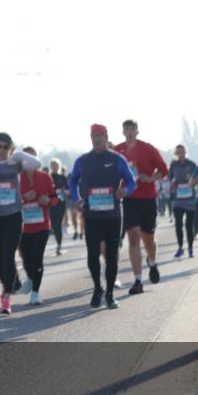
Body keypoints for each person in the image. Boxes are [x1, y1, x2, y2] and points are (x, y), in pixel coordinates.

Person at [69, 124, 137, 309]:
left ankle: (110, 294)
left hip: (113, 215)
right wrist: (77, 198)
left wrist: (125, 190)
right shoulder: (82, 161)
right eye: (94, 136)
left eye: (100, 136)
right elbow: (73, 180)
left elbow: (132, 182)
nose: (97, 139)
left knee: (112, 255)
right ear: (90, 138)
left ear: (106, 137)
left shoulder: (117, 159)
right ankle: (97, 288)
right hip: (91, 215)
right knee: (92, 255)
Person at [0, 132, 42, 315]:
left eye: (5, 146)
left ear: (10, 147)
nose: (2, 150)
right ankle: (12, 282)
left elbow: (37, 164)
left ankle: (5, 296)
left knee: (8, 254)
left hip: (13, 216)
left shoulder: (16, 163)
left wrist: (18, 154)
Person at [114, 119, 169, 295]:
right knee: (133, 237)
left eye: (132, 129)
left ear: (137, 131)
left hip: (147, 198)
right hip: (129, 199)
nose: (129, 132)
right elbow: (111, 173)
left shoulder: (148, 148)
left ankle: (152, 262)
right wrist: (118, 188)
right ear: (123, 132)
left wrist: (151, 179)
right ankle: (138, 280)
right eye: (126, 129)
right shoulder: (117, 151)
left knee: (148, 238)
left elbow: (163, 170)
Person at [20, 147, 58, 305]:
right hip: (23, 227)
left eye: (32, 157)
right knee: (26, 259)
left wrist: (48, 201)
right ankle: (29, 276)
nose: (30, 160)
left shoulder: (45, 177)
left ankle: (35, 292)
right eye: (26, 157)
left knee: (37, 258)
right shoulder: (17, 178)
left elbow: (55, 198)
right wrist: (23, 198)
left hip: (42, 225)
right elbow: (9, 201)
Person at [169, 144, 198, 258]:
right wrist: (173, 182)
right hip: (178, 199)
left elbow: (197, 179)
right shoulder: (173, 165)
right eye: (178, 152)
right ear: (176, 153)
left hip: (190, 199)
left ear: (186, 152)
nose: (181, 154)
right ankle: (180, 247)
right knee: (178, 224)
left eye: (182, 152)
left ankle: (190, 248)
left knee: (189, 225)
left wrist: (191, 180)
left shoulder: (192, 165)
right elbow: (170, 178)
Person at [49, 158, 69, 256]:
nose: (54, 167)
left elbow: (68, 190)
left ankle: (59, 244)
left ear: (59, 166)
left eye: (56, 165)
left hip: (61, 202)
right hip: (51, 203)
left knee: (57, 223)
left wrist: (64, 191)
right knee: (53, 224)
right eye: (52, 165)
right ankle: (58, 242)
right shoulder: (48, 177)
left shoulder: (62, 177)